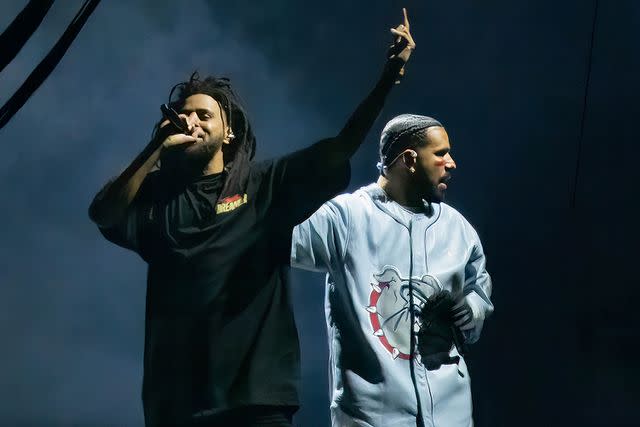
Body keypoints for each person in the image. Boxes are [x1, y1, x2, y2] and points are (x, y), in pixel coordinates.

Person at [88, 9, 416, 427]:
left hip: (254, 402)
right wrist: (154, 147)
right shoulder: (156, 196)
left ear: (228, 133)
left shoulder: (264, 185)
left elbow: (341, 146)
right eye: (183, 113)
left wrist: (388, 78)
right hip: (174, 407)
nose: (190, 120)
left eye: (204, 114)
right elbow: (103, 213)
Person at [291, 114, 494, 427]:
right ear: (409, 159)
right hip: (371, 418)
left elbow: (479, 294)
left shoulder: (459, 229)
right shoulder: (346, 218)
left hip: (451, 415)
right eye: (440, 154)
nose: (451, 164)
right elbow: (277, 237)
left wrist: (470, 309)